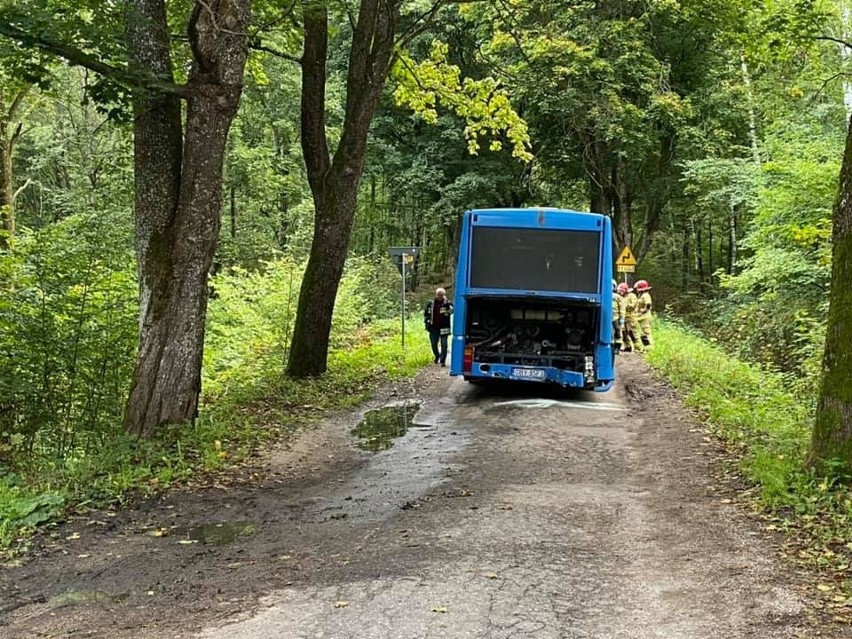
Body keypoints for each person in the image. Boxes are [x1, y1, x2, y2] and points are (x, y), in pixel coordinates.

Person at [424, 287, 453, 366]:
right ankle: (437, 356)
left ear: (444, 295)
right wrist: (427, 321)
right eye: (438, 294)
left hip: (444, 328)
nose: (439, 296)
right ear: (436, 295)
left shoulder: (448, 303)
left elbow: (452, 311)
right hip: (433, 328)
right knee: (433, 344)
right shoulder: (431, 303)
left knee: (444, 345)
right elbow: (426, 314)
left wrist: (447, 305)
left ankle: (442, 361)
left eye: (441, 295)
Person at [621, 282, 641, 352]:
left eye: (622, 290)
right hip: (624, 317)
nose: (620, 292)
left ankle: (637, 347)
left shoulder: (632, 295)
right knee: (624, 333)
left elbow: (633, 305)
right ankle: (627, 346)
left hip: (631, 317)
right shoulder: (622, 297)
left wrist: (625, 306)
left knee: (632, 332)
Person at [634, 279, 653, 349]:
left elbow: (648, 304)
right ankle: (645, 347)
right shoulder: (641, 295)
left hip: (645, 317)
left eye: (637, 288)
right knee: (642, 333)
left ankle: (649, 347)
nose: (636, 290)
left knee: (646, 332)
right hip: (641, 317)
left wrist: (644, 310)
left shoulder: (645, 295)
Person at [612, 279, 625, 352]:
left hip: (615, 317)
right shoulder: (604, 295)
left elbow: (622, 308)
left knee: (617, 331)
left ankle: (617, 347)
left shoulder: (618, 297)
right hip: (606, 317)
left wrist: (622, 319)